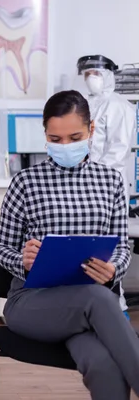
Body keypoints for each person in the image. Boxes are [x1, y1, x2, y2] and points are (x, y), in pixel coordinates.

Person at [0, 90, 139, 399]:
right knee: (99, 299)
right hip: (32, 303)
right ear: (45, 134)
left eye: (74, 137)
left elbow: (122, 248)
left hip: (88, 306)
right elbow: (1, 248)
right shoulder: (26, 182)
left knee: (104, 364)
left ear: (91, 131)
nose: (65, 146)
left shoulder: (111, 181)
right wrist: (23, 260)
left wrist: (113, 269)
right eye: (55, 139)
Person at [78, 54, 137, 320]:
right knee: (85, 252)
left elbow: (118, 151)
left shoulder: (120, 106)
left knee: (108, 253)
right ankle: (92, 310)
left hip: (107, 188)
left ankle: (117, 311)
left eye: (97, 73)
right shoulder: (86, 106)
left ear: (110, 75)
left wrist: (94, 177)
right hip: (85, 187)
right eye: (87, 73)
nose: (91, 79)